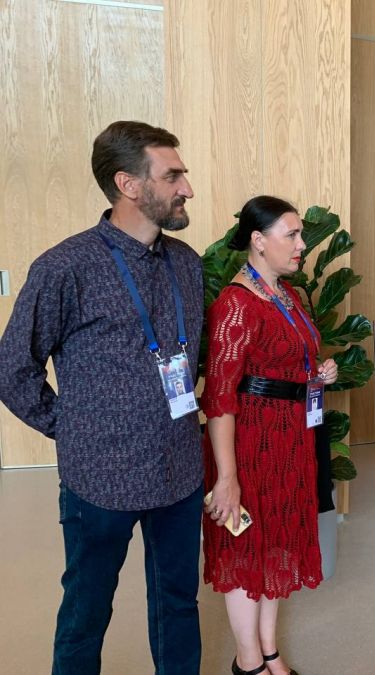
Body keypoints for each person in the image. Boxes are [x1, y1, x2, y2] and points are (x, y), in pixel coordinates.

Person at [0, 121, 203, 672]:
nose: (187, 188)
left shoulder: (187, 264)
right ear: (128, 184)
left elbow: (193, 355)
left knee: (179, 603)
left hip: (180, 471)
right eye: (173, 176)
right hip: (101, 479)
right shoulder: (65, 267)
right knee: (86, 610)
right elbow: (13, 367)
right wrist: (71, 427)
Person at [202, 195, 339, 675]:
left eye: (301, 234)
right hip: (251, 442)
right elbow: (219, 397)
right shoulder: (235, 304)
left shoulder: (287, 294)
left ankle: (268, 649)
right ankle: (247, 662)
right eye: (292, 235)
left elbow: (285, 362)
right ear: (259, 241)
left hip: (290, 437)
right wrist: (227, 477)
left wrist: (317, 373)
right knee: (247, 546)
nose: (301, 245)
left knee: (276, 540)